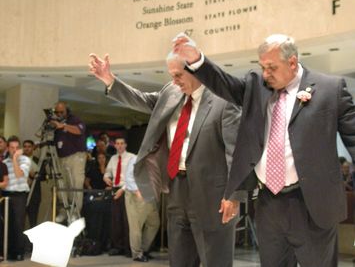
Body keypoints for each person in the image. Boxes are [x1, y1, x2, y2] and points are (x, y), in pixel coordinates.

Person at [172, 33, 355, 267]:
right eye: (262, 67)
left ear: (292, 62)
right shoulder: (256, 85)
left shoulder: (331, 89)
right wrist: (197, 60)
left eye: (271, 67)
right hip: (269, 202)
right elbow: (224, 84)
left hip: (312, 204)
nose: (265, 74)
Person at [89, 50, 241, 267]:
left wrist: (233, 195)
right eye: (171, 75)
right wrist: (109, 80)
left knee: (214, 261)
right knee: (179, 260)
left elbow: (234, 152)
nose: (174, 81)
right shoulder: (171, 92)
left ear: (196, 70)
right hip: (177, 189)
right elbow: (141, 99)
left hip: (212, 195)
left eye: (178, 75)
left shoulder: (224, 99)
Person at [51, 101, 87, 223]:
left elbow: (79, 130)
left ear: (67, 111)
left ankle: (75, 212)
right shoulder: (56, 123)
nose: (59, 114)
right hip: (62, 157)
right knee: (63, 184)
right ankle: (63, 211)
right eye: (57, 112)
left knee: (75, 184)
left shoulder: (74, 119)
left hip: (76, 156)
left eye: (62, 112)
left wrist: (63, 126)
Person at [125, 152, 160, 262]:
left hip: (150, 196)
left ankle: (143, 249)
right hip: (137, 195)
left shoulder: (156, 159)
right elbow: (129, 175)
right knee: (136, 226)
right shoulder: (136, 159)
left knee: (154, 223)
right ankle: (137, 254)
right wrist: (136, 190)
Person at [103, 137, 135, 257]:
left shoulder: (132, 157)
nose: (120, 146)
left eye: (122, 143)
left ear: (125, 145)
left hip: (127, 189)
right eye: (117, 144)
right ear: (115, 146)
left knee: (127, 220)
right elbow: (108, 172)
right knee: (115, 219)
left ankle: (128, 248)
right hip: (115, 188)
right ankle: (117, 247)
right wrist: (106, 177)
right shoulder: (113, 158)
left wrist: (123, 189)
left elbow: (133, 176)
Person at [2, 135, 31, 261]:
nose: (14, 150)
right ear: (7, 148)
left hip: (19, 195)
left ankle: (19, 252)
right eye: (12, 147)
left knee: (18, 224)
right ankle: (8, 251)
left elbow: (19, 174)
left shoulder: (25, 160)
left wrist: (14, 158)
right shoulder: (4, 163)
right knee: (7, 224)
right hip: (6, 194)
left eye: (16, 147)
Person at [23, 139, 41, 228]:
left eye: (29, 147)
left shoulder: (38, 161)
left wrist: (33, 176)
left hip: (34, 194)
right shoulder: (18, 160)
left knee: (33, 220)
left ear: (33, 148)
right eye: (25, 146)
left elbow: (42, 176)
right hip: (21, 194)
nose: (27, 149)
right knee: (20, 220)